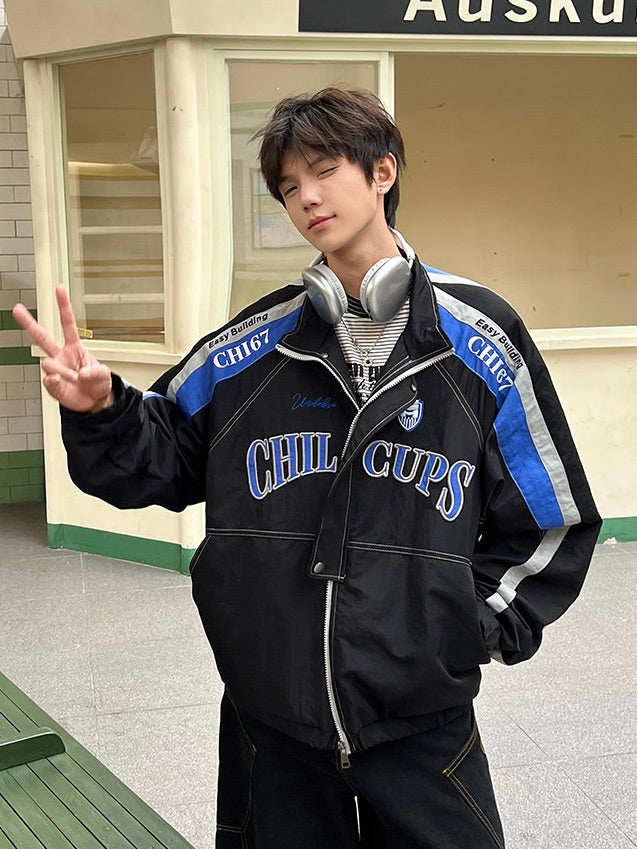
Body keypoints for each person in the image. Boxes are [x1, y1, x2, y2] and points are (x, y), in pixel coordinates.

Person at [14, 88, 601, 849]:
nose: (306, 198)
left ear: (382, 172)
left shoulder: (480, 340)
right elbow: (153, 461)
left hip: (420, 722)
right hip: (273, 719)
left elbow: (553, 516)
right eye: (289, 186)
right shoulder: (251, 347)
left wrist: (464, 628)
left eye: (323, 171)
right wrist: (101, 409)